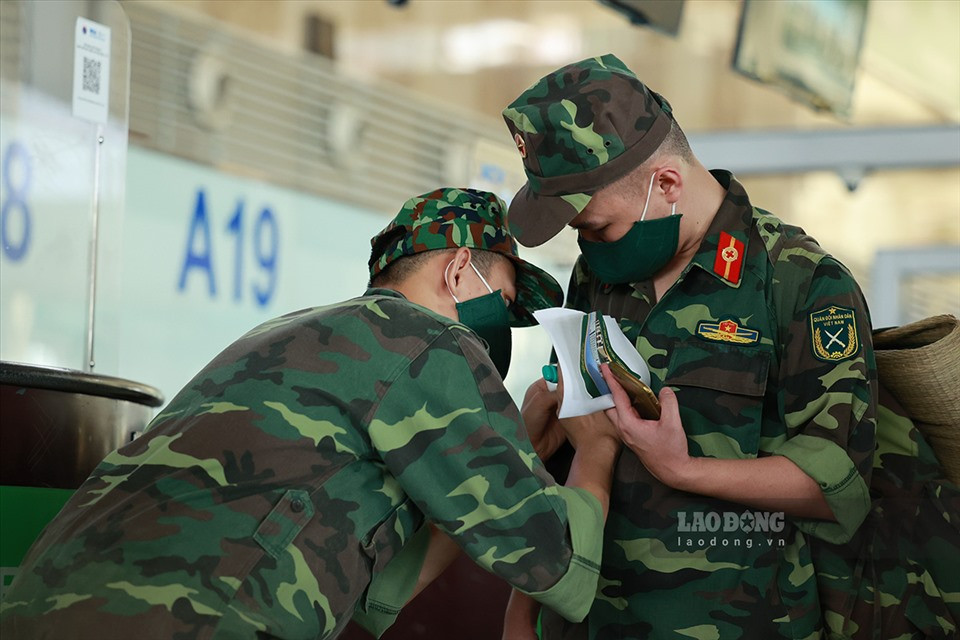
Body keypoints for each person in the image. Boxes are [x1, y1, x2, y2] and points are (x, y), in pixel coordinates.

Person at [0, 188, 621, 640]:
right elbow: (556, 563)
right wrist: (594, 449)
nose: (501, 333)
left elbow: (367, 592)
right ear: (459, 270)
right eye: (505, 302)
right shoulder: (432, 341)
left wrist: (514, 455)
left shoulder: (287, 336)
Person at [499, 55, 878, 640]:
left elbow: (839, 485)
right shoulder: (598, 277)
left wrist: (686, 469)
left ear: (666, 184)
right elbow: (583, 443)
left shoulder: (798, 283)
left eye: (597, 227)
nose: (589, 245)